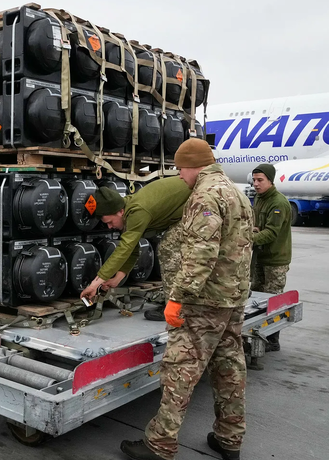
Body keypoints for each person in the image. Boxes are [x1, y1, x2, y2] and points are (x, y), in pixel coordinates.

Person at [120, 138, 253, 460]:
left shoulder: (205, 195)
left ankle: (160, 445)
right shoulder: (236, 192)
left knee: (180, 371)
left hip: (204, 302)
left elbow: (200, 252)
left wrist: (178, 297)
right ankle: (229, 439)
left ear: (194, 165)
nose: (180, 176)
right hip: (232, 298)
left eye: (180, 169)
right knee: (229, 369)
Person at [79, 177, 191, 322]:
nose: (109, 227)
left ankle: (176, 308)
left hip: (199, 203)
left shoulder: (137, 211)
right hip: (187, 208)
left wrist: (95, 283)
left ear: (120, 212)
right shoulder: (127, 211)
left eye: (110, 222)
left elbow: (125, 248)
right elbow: (132, 249)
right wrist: (116, 279)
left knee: (168, 249)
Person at [250, 163, 292, 361]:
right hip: (260, 257)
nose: (256, 184)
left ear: (270, 181)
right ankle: (258, 335)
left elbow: (271, 233)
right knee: (257, 299)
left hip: (275, 260)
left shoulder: (278, 203)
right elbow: (259, 226)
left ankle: (273, 339)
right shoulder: (259, 198)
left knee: (273, 301)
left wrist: (247, 238)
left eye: (260, 180)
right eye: (254, 180)